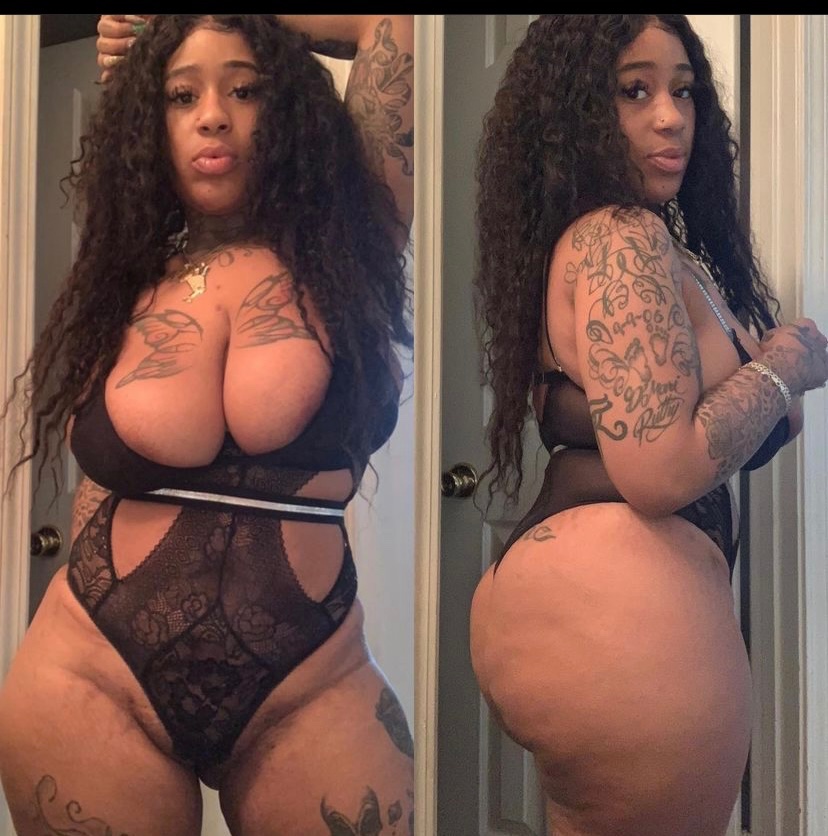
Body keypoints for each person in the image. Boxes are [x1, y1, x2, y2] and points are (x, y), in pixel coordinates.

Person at [0, 14, 414, 835]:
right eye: (182, 96)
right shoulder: (125, 269)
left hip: (313, 685)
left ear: (289, 105)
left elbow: (387, 25)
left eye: (246, 89)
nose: (214, 116)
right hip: (93, 675)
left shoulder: (356, 237)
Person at [470, 15, 828, 836]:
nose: (670, 117)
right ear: (577, 113)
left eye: (683, 91)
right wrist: (784, 366)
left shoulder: (642, 243)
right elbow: (660, 471)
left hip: (588, 614)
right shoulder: (619, 239)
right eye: (634, 91)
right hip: (622, 624)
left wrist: (773, 375)